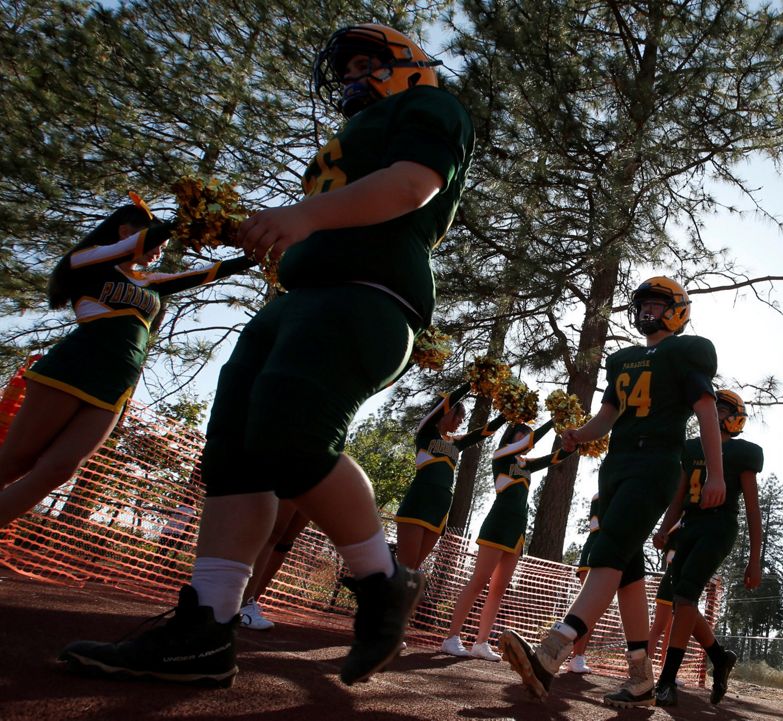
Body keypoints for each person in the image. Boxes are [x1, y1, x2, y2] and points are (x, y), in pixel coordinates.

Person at [58, 23, 474, 688]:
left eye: (368, 62)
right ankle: (205, 626)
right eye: (347, 68)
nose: (353, 77)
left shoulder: (434, 105)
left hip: (370, 290)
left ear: (409, 66)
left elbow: (412, 184)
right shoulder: (347, 138)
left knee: (292, 432)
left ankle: (384, 578)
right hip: (299, 296)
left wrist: (303, 218)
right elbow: (322, 214)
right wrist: (260, 227)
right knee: (232, 454)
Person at [500, 276, 721, 708]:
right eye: (643, 305)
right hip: (616, 468)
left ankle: (551, 653)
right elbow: (608, 416)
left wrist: (716, 473)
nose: (647, 312)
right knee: (628, 571)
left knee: (606, 552)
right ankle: (641, 680)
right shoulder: (621, 359)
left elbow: (706, 410)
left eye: (657, 305)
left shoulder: (687, 351)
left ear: (677, 311)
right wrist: (577, 435)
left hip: (654, 465)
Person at [0, 201, 254, 527]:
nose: (158, 252)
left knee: (59, 470)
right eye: (156, 243)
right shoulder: (86, 261)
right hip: (72, 368)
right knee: (14, 462)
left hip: (116, 384)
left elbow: (208, 273)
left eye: (162, 247)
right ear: (124, 231)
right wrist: (185, 220)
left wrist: (254, 256)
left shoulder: (152, 282)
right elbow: (132, 247)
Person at [648, 388, 762, 707]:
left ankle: (667, 679)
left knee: (685, 597)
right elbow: (679, 495)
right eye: (714, 409)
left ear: (736, 418)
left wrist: (754, 559)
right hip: (690, 526)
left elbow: (753, 509)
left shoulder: (744, 452)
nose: (715, 414)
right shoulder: (691, 448)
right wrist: (664, 527)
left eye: (723, 410)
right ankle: (719, 656)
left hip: (718, 526)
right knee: (680, 603)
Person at [441, 419, 575, 660]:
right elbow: (530, 441)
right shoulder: (501, 454)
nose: (526, 439)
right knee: (479, 580)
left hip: (517, 530)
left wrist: (573, 443)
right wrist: (555, 420)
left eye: (527, 435)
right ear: (511, 436)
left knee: (499, 589)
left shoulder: (525, 464)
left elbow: (554, 459)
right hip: (498, 523)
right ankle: (452, 637)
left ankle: (481, 642)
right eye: (521, 434)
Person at [395, 383, 505, 570]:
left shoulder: (456, 442)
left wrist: (506, 415)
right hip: (420, 499)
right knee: (404, 567)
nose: (461, 421)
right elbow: (447, 402)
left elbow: (484, 432)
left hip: (441, 507)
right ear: (446, 413)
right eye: (459, 415)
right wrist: (471, 385)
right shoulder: (426, 431)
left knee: (414, 569)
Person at [238, 501, 312, 631]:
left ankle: (249, 602)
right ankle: (241, 604)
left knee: (284, 542)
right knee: (272, 531)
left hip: (321, 484)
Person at [564, 492, 602, 675]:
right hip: (595, 550)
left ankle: (577, 656)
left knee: (591, 611)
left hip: (598, 549)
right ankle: (572, 655)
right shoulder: (602, 494)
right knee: (587, 608)